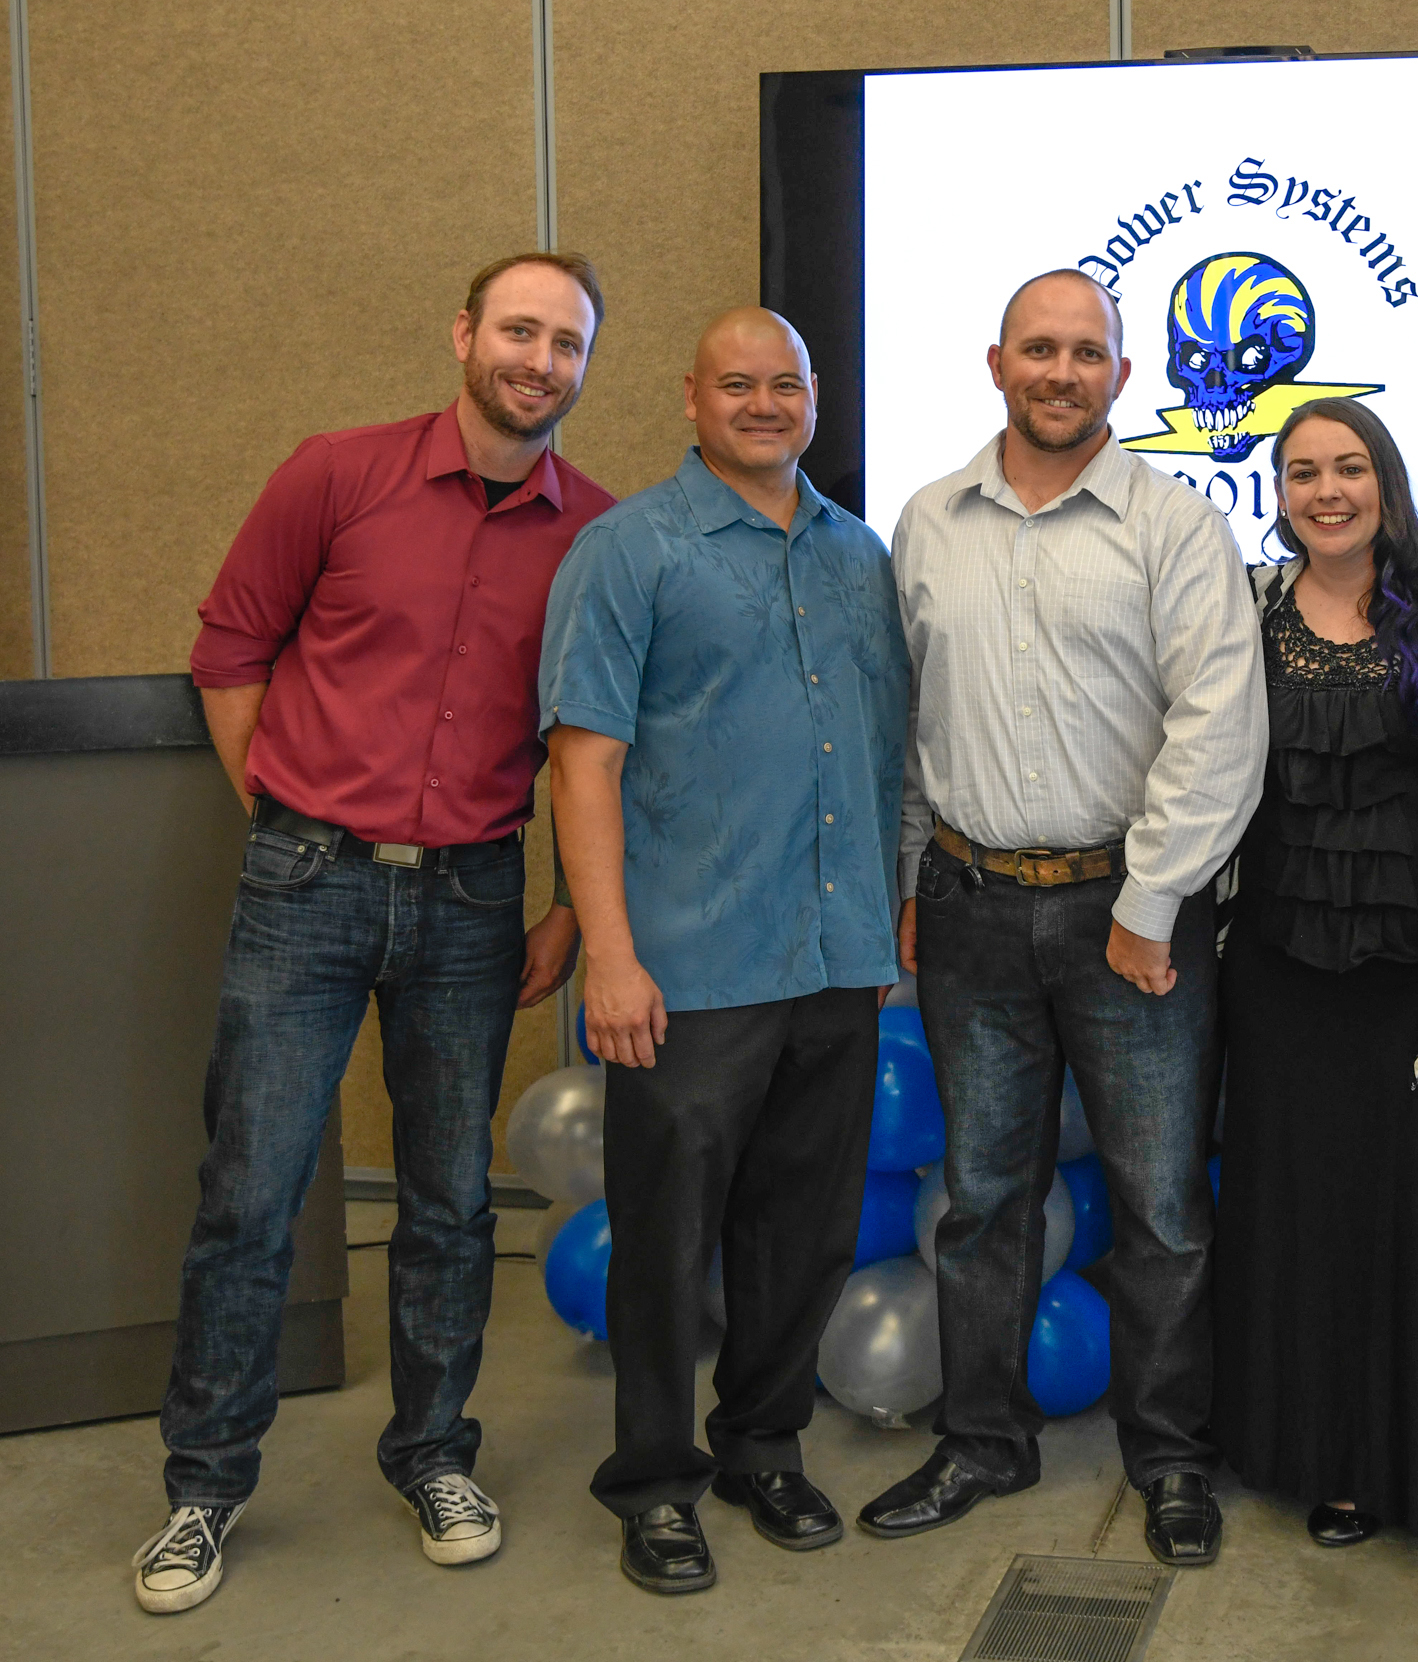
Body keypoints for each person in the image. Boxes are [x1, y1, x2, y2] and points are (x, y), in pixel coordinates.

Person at [137, 253, 613, 1614]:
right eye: (517, 329)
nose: (538, 359)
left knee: (451, 1203)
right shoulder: (334, 474)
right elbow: (231, 648)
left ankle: (435, 1453)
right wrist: (284, 811)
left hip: (472, 898)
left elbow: (600, 735)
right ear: (464, 333)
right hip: (309, 882)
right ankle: (204, 1485)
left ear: (583, 367)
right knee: (253, 1189)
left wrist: (572, 904)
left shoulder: (600, 532)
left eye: (566, 342)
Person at [856, 270, 1267, 1567]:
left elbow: (1219, 727)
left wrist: (1148, 905)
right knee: (982, 1198)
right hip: (971, 910)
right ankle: (983, 1437)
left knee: (1156, 1206)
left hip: (1128, 917)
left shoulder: (1175, 524)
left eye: (1086, 353)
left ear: (1121, 378)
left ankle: (1167, 1456)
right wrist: (916, 875)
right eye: (1038, 348)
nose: (1060, 371)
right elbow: (913, 721)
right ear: (995, 364)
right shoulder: (926, 520)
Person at [540, 307, 908, 1596]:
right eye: (737, 385)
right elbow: (583, 761)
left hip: (835, 957)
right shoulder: (625, 551)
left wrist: (888, 911)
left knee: (801, 1237)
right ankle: (652, 1483)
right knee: (663, 1242)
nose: (764, 404)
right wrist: (609, 954)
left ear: (813, 400)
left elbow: (881, 757)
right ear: (690, 399)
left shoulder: (859, 556)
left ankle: (760, 1444)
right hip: (685, 968)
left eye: (786, 385)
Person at [1211, 398, 1418, 1546]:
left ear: (1384, 480)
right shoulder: (1239, 603)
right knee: (1300, 1212)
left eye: (1348, 468)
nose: (1325, 491)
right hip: (1281, 968)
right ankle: (1321, 1459)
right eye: (1301, 473)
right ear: (1278, 492)